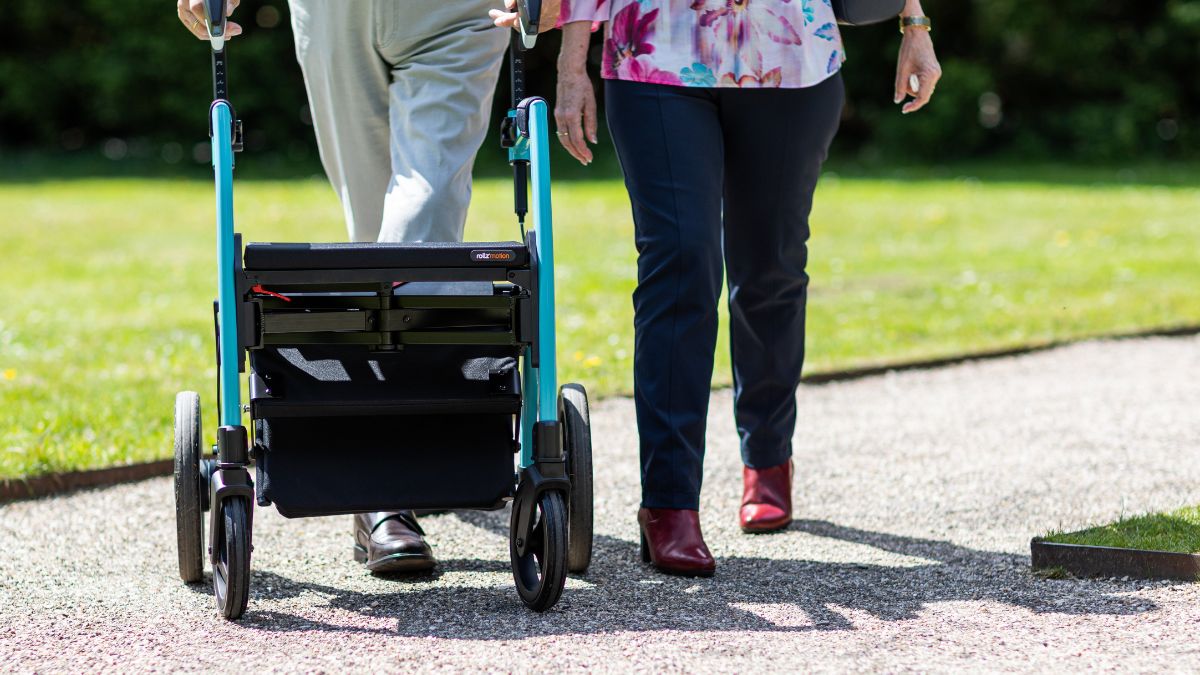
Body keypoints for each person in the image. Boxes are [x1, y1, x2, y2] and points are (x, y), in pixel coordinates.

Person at [494, 0, 941, 576]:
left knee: (771, 267)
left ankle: (769, 457)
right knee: (681, 262)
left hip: (791, 59)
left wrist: (914, 23)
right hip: (654, 55)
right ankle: (669, 504)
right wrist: (571, 66)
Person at [177, 0, 557, 573]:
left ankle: (385, 491)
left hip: (458, 13)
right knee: (370, 231)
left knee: (420, 224)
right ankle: (389, 459)